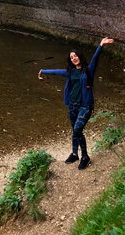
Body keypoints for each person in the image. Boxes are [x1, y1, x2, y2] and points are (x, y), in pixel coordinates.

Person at [38, 37, 115, 170]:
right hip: (72, 105)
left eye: (75, 56)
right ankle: (74, 154)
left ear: (80, 57)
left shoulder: (88, 71)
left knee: (78, 130)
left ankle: (85, 157)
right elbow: (57, 71)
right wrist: (43, 71)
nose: (74, 58)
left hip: (85, 106)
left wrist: (101, 45)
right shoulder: (70, 72)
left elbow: (95, 59)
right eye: (71, 57)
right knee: (74, 131)